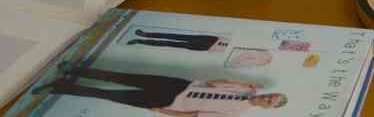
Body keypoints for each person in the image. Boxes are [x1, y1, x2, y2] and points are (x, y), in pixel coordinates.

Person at [33, 66, 287, 114]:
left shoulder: (233, 114)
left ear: (268, 108)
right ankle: (74, 71)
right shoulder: (245, 91)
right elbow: (212, 83)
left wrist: (163, 112)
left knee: (109, 94)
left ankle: (58, 87)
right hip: (177, 85)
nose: (267, 98)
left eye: (270, 101)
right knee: (123, 76)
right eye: (271, 95)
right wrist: (243, 85)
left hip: (168, 101)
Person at [128, 30, 230, 52]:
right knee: (174, 36)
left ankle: (139, 41)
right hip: (210, 40)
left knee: (170, 43)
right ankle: (146, 34)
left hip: (207, 47)